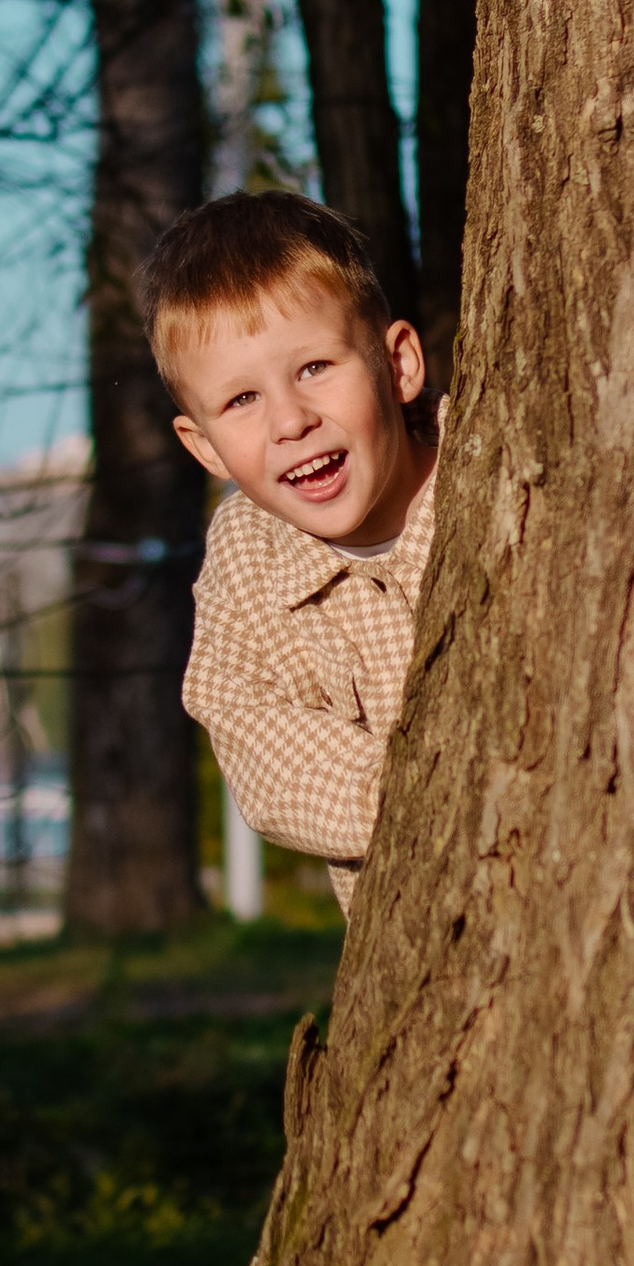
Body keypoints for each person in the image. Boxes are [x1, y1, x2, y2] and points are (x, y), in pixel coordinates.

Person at [145, 192, 438, 914]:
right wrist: (438, 800)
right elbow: (259, 742)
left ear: (398, 364)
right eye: (241, 400)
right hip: (418, 931)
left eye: (313, 368)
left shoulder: (496, 472)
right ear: (204, 445)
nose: (289, 421)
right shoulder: (248, 561)